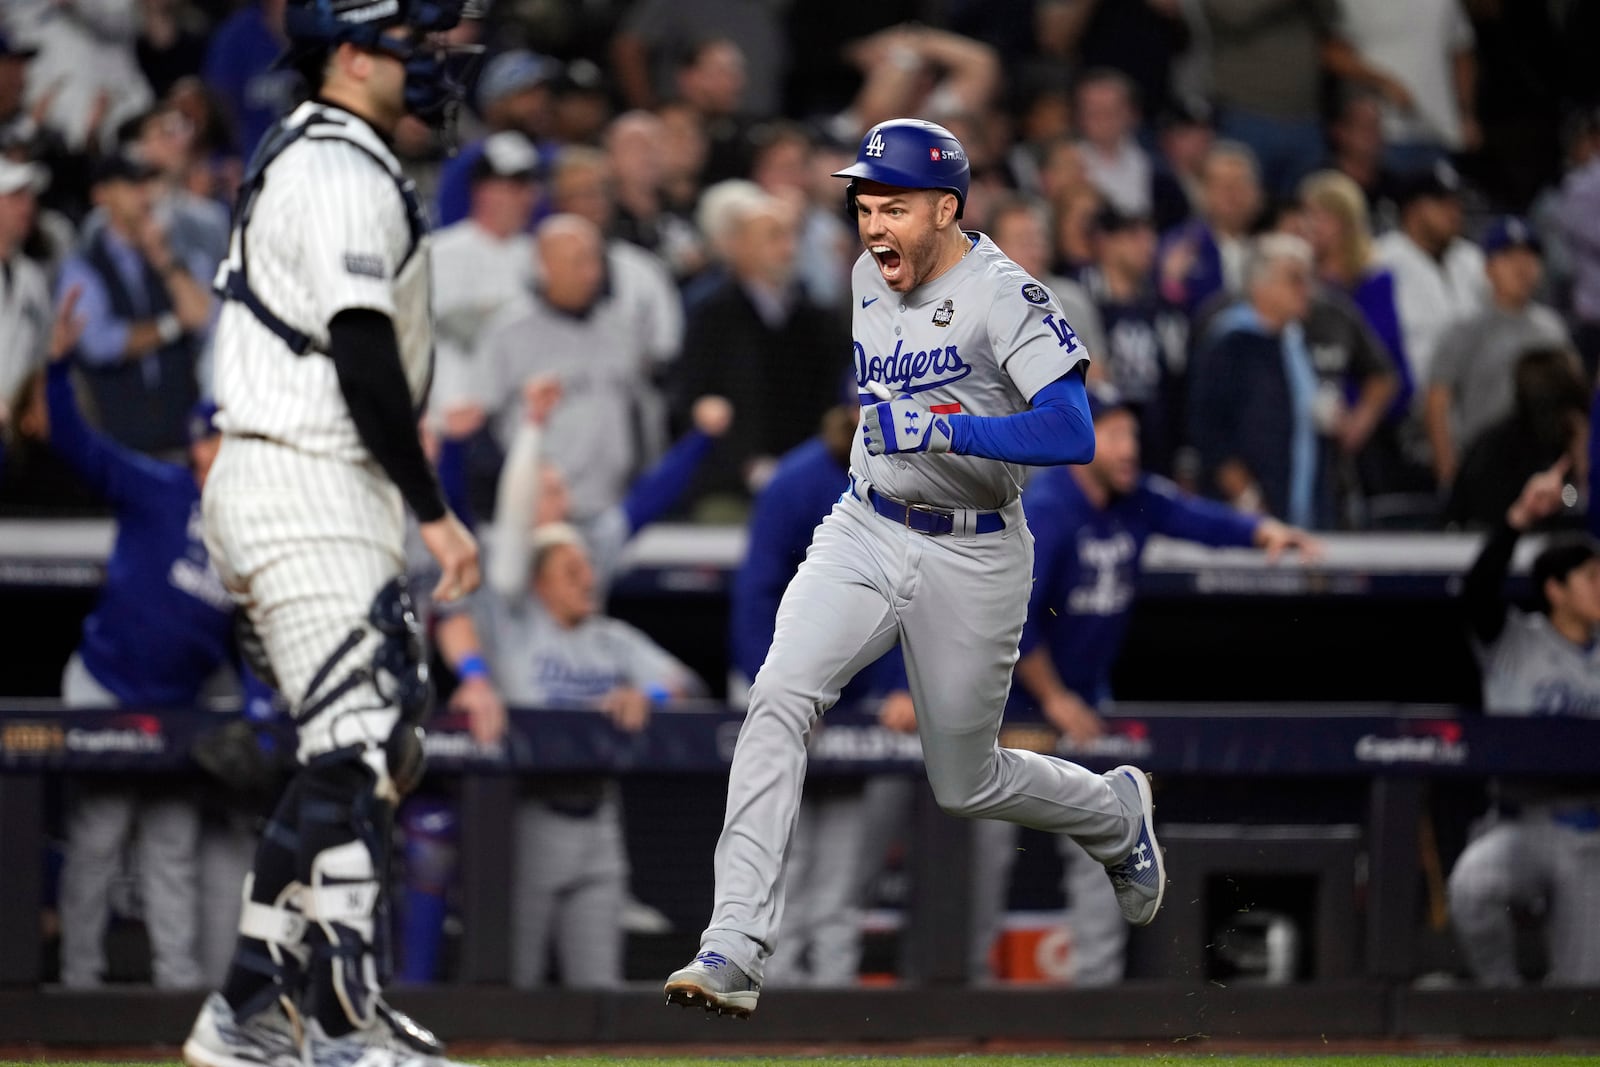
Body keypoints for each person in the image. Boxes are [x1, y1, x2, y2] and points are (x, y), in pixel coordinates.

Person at [663, 118, 1163, 1018]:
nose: (873, 223)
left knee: (963, 781)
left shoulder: (1005, 293)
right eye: (864, 204)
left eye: (894, 205)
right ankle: (735, 939)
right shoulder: (866, 273)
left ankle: (1113, 811)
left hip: (974, 546)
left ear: (946, 207)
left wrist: (945, 425)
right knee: (778, 695)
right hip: (864, 522)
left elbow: (1073, 430)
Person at [180, 0, 484, 1063]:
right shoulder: (338, 166)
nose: (437, 63)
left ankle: (251, 1011)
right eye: (416, 43)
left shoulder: (329, 155)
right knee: (356, 748)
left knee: (362, 749)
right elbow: (362, 356)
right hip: (306, 472)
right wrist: (437, 511)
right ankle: (347, 1030)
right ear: (353, 53)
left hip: (313, 481)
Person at [971, 387, 1319, 985]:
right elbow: (1010, 619)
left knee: (1099, 838)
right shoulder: (1048, 508)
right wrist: (1053, 698)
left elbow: (1195, 517)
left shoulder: (1133, 500)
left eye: (1132, 434)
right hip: (1009, 712)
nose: (1130, 447)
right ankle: (963, 1002)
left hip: (1080, 705)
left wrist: (1263, 531)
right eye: (1114, 434)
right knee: (983, 861)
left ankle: (1096, 1005)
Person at [44, 287, 229, 992]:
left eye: (223, 438)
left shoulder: (250, 528)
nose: (210, 450)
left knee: (172, 850)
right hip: (107, 686)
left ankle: (176, 997)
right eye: (205, 438)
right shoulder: (159, 488)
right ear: (193, 444)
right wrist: (59, 372)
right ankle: (80, 989)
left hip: (179, 704)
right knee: (95, 840)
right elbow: (77, 445)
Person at [728, 404, 915, 987]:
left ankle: (833, 1011)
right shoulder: (796, 483)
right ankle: (768, 1006)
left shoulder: (916, 479)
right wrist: (785, 691)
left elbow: (920, 596)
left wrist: (903, 687)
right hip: (793, 676)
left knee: (841, 877)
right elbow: (756, 596)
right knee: (784, 859)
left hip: (862, 692)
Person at [473, 523, 706, 988]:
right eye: (570, 571)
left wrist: (647, 694)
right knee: (516, 984)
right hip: (530, 816)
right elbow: (479, 562)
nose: (586, 579)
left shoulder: (610, 638)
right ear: (539, 583)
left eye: (588, 568)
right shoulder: (514, 631)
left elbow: (686, 683)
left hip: (600, 818)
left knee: (600, 992)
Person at [1449, 460, 1600, 986]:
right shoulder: (1516, 640)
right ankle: (1501, 1005)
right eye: (1591, 578)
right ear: (1555, 590)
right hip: (1522, 821)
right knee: (1473, 885)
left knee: (1581, 1001)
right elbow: (1476, 595)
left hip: (1591, 833)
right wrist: (1516, 519)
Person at [55, 150, 212, 458]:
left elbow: (204, 316)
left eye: (145, 183)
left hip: (180, 437)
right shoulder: (84, 266)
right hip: (119, 441)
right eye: (129, 184)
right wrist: (172, 325)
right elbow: (100, 344)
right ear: (101, 195)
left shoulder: (171, 255)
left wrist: (162, 258)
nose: (143, 194)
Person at [1425, 218, 1572, 493]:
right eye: (1509, 257)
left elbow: (1573, 407)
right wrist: (1449, 476)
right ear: (1488, 268)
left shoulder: (1552, 330)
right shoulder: (1463, 330)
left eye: (1530, 257)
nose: (1522, 267)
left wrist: (1579, 475)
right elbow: (1437, 402)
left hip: (1545, 464)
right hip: (1483, 468)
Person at [1188, 233, 1323, 526]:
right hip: (1245, 514)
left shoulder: (1296, 343)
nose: (1307, 290)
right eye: (1294, 280)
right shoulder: (1229, 344)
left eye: (1307, 279)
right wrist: (1248, 500)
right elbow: (1208, 429)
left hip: (1296, 502)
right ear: (1261, 286)